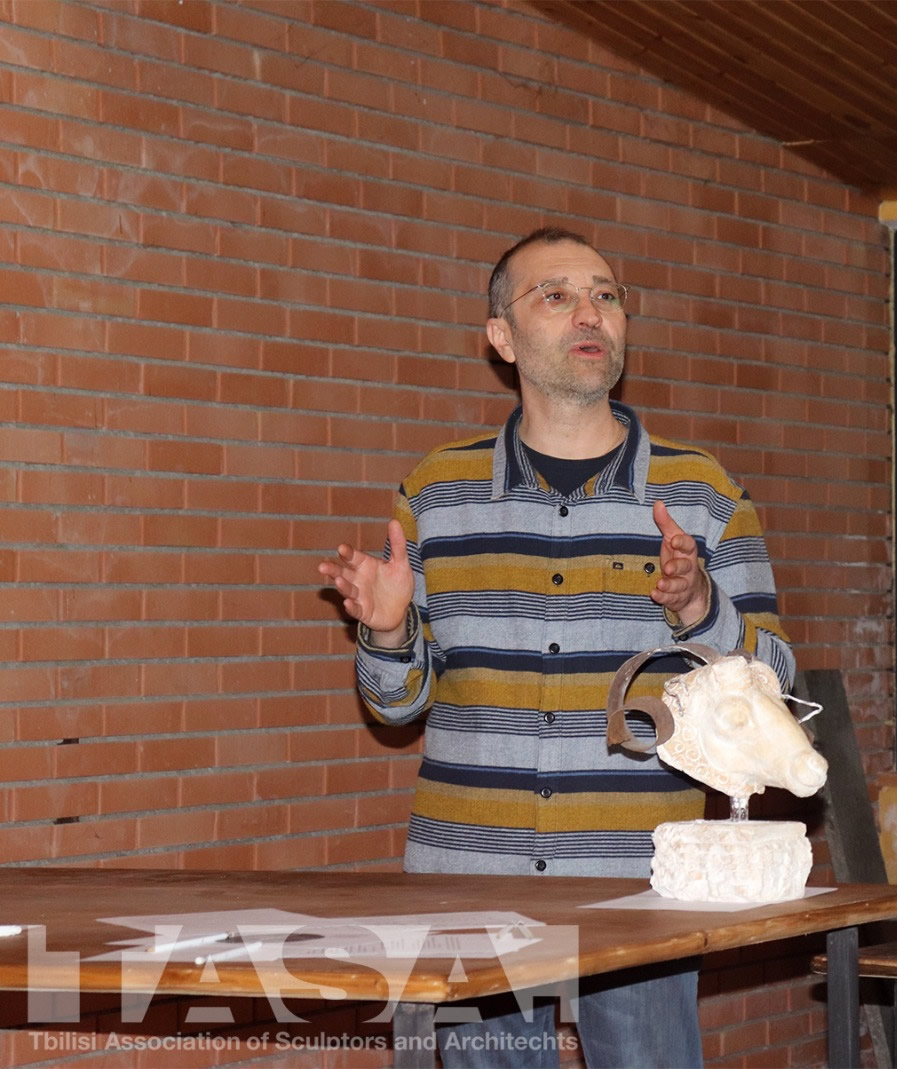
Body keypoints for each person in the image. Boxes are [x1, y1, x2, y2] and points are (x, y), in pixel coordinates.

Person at [317, 225, 792, 1068]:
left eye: (606, 295)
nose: (590, 312)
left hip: (642, 885)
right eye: (558, 295)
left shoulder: (702, 492)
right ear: (501, 337)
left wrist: (699, 605)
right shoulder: (436, 493)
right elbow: (396, 706)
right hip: (467, 884)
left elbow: (776, 686)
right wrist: (386, 631)